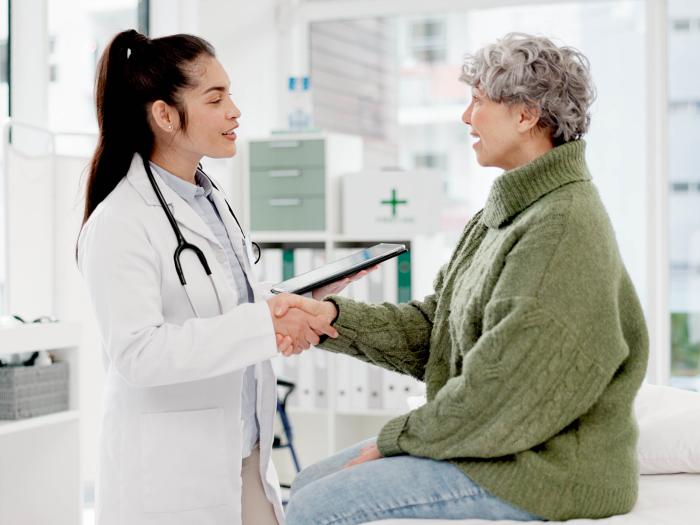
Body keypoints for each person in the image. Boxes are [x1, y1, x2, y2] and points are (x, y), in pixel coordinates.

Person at [274, 33, 649, 524]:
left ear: (526, 114)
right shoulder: (509, 210)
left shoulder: (561, 228)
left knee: (317, 506)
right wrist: (330, 317)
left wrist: (398, 441)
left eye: (477, 101)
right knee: (305, 483)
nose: (466, 117)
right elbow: (438, 331)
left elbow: (502, 395)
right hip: (498, 445)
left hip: (546, 470)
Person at [77, 29, 366, 525]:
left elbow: (223, 307)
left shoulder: (210, 201)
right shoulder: (121, 221)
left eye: (230, 94)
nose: (235, 110)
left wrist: (293, 300)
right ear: (165, 116)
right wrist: (267, 326)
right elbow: (138, 353)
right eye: (216, 98)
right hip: (175, 471)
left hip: (246, 448)